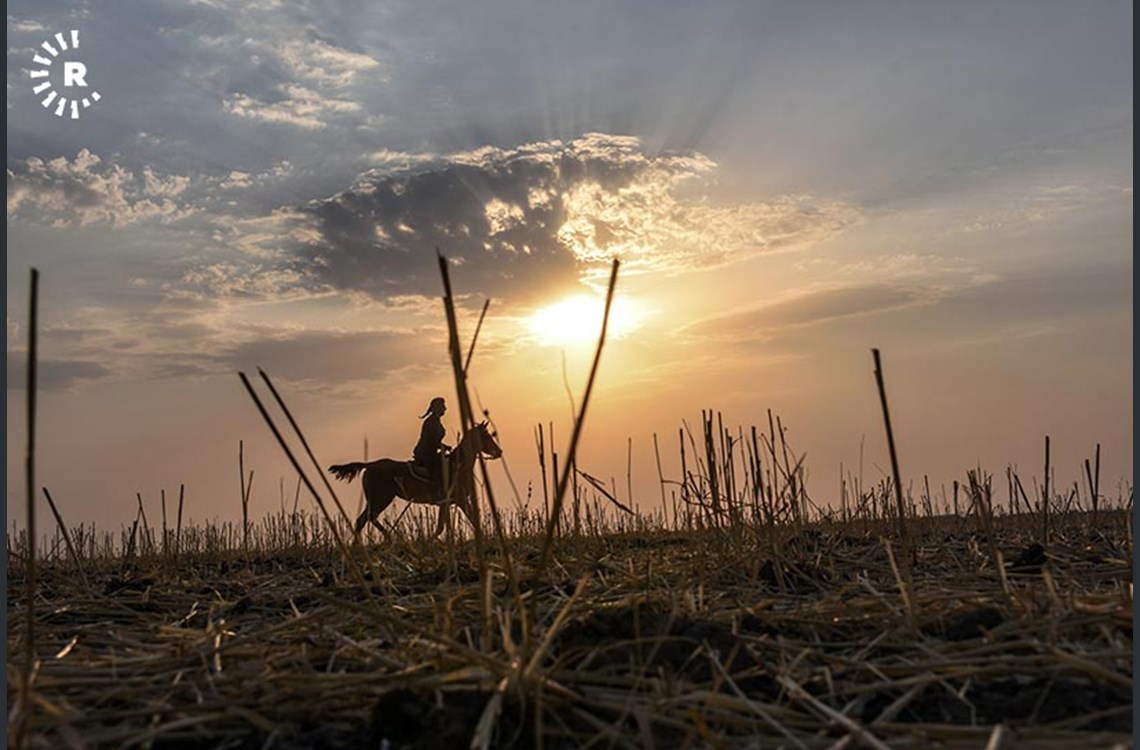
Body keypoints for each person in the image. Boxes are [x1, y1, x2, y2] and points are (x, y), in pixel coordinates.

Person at [413, 396, 450, 502]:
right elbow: (433, 441)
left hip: (431, 451)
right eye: (443, 406)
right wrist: (443, 447)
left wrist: (444, 447)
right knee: (438, 468)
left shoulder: (436, 421)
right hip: (425, 453)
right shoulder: (431, 422)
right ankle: (436, 493)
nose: (445, 408)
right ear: (436, 408)